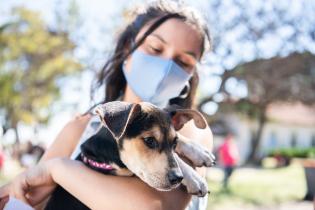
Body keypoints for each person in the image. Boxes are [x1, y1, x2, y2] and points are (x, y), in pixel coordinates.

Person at [0, 1, 213, 210]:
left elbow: (153, 207)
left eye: (183, 62)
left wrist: (58, 169)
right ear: (129, 47)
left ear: (191, 75)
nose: (167, 67)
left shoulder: (187, 129)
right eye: (155, 48)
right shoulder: (80, 128)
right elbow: (25, 195)